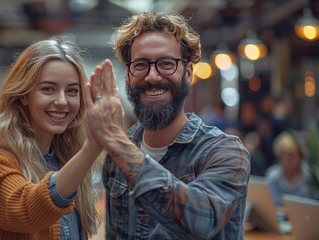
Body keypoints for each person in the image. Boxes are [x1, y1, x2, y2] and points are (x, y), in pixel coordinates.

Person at [84, 12, 251, 239]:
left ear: (188, 73)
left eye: (166, 64)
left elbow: (203, 222)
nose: (152, 77)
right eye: (141, 65)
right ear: (128, 77)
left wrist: (116, 141)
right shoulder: (119, 152)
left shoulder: (225, 151)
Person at [0, 37, 101, 240]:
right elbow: (28, 210)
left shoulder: (64, 159)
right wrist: (92, 148)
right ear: (23, 95)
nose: (62, 101)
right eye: (48, 89)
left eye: (72, 91)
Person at [265, 131, 319, 206]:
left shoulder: (312, 177)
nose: (286, 161)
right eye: (282, 156)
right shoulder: (273, 176)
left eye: (291, 156)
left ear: (301, 156)